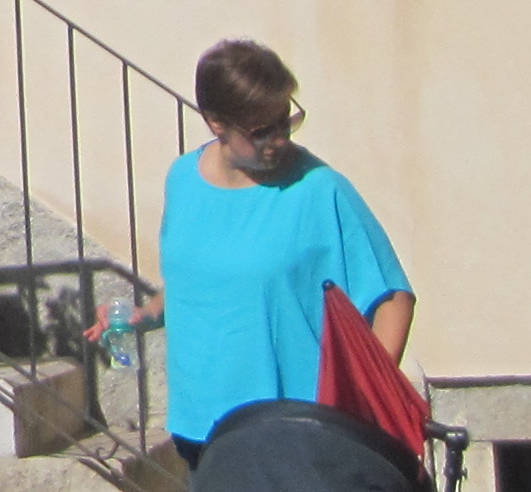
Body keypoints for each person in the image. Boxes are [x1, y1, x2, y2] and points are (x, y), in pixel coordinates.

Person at [113, 38, 414, 460]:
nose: (279, 139)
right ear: (216, 123)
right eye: (261, 131)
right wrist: (147, 313)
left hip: (293, 432)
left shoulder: (318, 190)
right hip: (200, 428)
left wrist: (364, 404)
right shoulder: (182, 179)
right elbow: (197, 277)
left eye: (285, 122)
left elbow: (394, 298)